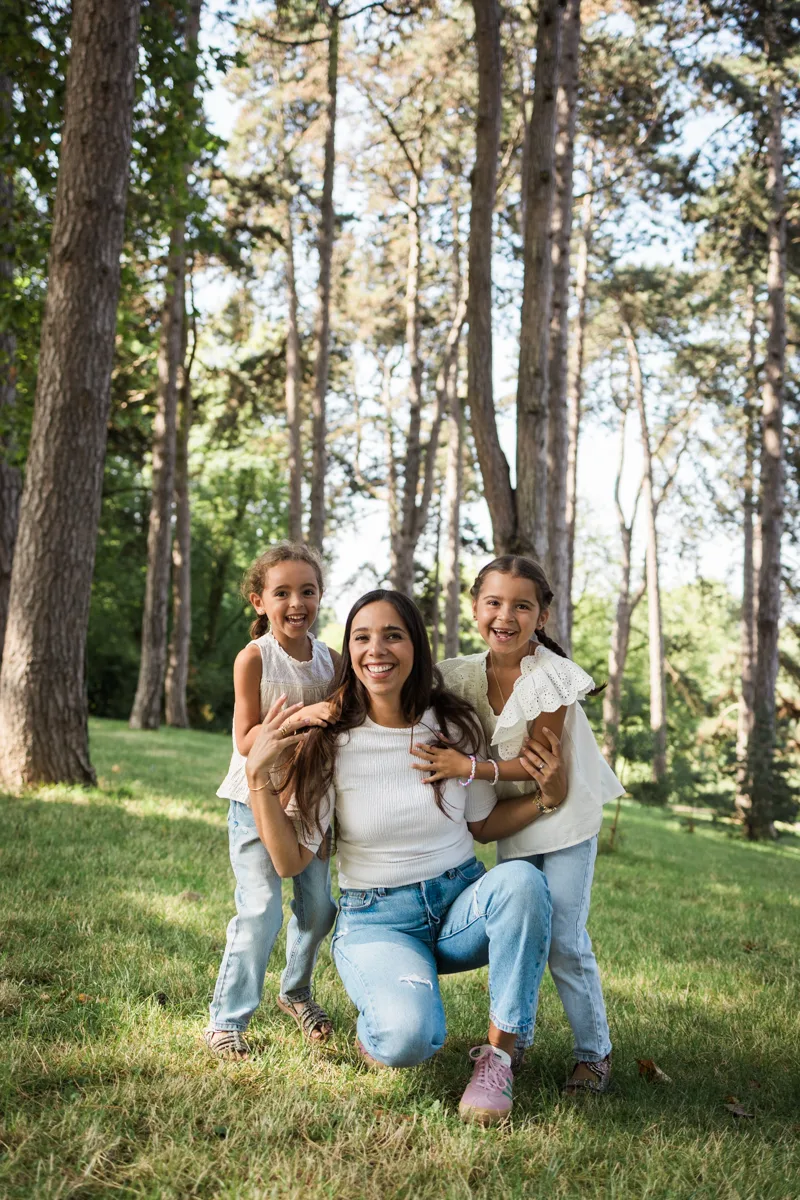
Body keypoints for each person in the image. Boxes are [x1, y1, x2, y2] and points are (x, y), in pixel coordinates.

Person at [244, 589, 567, 1125]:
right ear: (349, 651)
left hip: (460, 902)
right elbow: (289, 862)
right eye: (362, 637)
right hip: (378, 919)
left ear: (415, 645)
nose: (378, 649)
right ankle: (386, 1020)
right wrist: (258, 779)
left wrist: (544, 798)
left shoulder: (455, 724)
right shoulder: (329, 740)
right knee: (409, 1041)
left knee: (523, 883)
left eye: (393, 634)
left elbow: (482, 825)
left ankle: (500, 1056)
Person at [428, 555, 624, 1094]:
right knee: (523, 926)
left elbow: (540, 766)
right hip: (516, 814)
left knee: (563, 936)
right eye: (493, 602)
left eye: (521, 605)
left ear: (541, 616)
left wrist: (469, 768)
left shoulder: (552, 677)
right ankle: (516, 1038)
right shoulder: (460, 673)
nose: (505, 616)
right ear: (474, 608)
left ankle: (595, 1052)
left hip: (565, 812)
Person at [203, 542, 339, 1059]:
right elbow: (244, 740)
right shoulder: (253, 658)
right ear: (260, 601)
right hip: (254, 797)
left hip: (309, 797)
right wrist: (302, 718)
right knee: (260, 909)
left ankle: (296, 991)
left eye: (307, 590)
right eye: (282, 592)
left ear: (320, 596)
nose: (296, 602)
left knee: (320, 906)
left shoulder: (330, 659)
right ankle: (227, 1019)